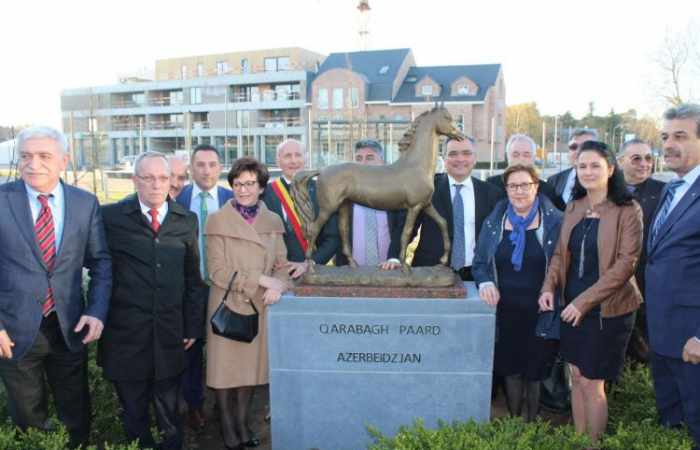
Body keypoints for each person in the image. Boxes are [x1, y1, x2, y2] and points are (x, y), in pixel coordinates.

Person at [0, 126, 112, 448]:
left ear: (64, 160)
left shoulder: (84, 203)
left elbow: (101, 262)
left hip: (68, 328)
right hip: (15, 333)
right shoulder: (2, 200)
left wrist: (96, 311)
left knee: (76, 416)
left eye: (44, 156)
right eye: (26, 156)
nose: (33, 164)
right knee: (28, 420)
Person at [539, 140, 642, 446]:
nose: (587, 171)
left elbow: (626, 264)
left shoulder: (627, 209)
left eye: (595, 165)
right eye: (581, 166)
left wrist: (583, 303)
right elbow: (559, 255)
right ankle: (579, 440)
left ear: (611, 169)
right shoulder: (574, 207)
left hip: (607, 311)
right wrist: (548, 287)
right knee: (577, 377)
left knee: (593, 382)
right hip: (572, 306)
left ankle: (592, 444)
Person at [100, 151, 206, 450]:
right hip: (126, 338)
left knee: (170, 416)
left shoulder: (186, 220)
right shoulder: (110, 218)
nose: (157, 185)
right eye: (148, 178)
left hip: (170, 337)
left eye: (163, 178)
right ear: (135, 181)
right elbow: (97, 270)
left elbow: (193, 280)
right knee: (134, 415)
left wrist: (192, 327)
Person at [205, 157, 294, 450]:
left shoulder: (272, 221)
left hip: (260, 306)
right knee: (224, 372)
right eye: (238, 183)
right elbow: (216, 271)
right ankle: (228, 428)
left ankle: (243, 424)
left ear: (261, 187)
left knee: (249, 373)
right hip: (227, 304)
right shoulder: (217, 220)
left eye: (250, 183)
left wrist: (279, 284)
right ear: (231, 186)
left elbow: (281, 263)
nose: (243, 189)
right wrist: (261, 280)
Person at [473, 164, 562, 421]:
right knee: (510, 369)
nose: (519, 191)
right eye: (513, 186)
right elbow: (480, 263)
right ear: (506, 189)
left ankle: (531, 424)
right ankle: (514, 423)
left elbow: (562, 265)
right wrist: (485, 282)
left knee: (534, 371)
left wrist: (554, 293)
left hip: (541, 310)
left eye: (525, 185)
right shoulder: (494, 221)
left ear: (536, 187)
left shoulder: (555, 221)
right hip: (505, 310)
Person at [645, 103, 700, 450]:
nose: (668, 144)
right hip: (664, 336)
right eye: (665, 136)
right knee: (674, 423)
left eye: (680, 136)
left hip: (692, 342)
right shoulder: (670, 189)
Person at [175, 144, 234, 430]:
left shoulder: (233, 199)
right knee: (191, 347)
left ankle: (227, 406)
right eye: (200, 164)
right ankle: (194, 404)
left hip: (225, 288)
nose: (207, 170)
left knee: (226, 348)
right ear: (191, 168)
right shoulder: (177, 199)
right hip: (189, 289)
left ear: (220, 167)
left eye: (212, 164)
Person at [411, 136, 501, 281]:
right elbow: (409, 229)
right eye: (453, 154)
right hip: (430, 272)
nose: (460, 159)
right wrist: (395, 258)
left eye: (466, 153)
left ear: (475, 158)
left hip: (477, 274)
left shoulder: (492, 194)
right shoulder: (427, 189)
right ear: (444, 158)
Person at [617, 138, 665, 363]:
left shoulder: (663, 192)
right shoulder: (606, 192)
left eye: (648, 158)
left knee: (645, 348)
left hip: (648, 283)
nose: (644, 164)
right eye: (636, 158)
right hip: (611, 283)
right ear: (620, 161)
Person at [263, 138, 339, 277]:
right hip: (280, 271)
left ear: (306, 159)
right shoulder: (266, 194)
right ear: (278, 161)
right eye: (287, 156)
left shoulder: (323, 191)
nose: (293, 161)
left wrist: (309, 263)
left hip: (318, 269)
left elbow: (333, 237)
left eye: (298, 155)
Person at [334, 139, 405, 269]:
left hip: (388, 269)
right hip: (349, 271)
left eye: (370, 158)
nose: (363, 163)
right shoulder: (342, 194)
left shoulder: (396, 192)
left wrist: (394, 258)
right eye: (359, 158)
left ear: (382, 162)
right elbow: (333, 233)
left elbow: (402, 228)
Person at [487, 134, 565, 210]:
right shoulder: (491, 185)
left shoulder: (547, 191)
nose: (521, 159)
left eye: (526, 155)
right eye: (515, 154)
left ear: (534, 158)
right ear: (508, 157)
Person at [546, 128, 599, 204]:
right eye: (574, 147)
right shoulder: (553, 181)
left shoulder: (607, 183)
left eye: (585, 147)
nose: (578, 151)